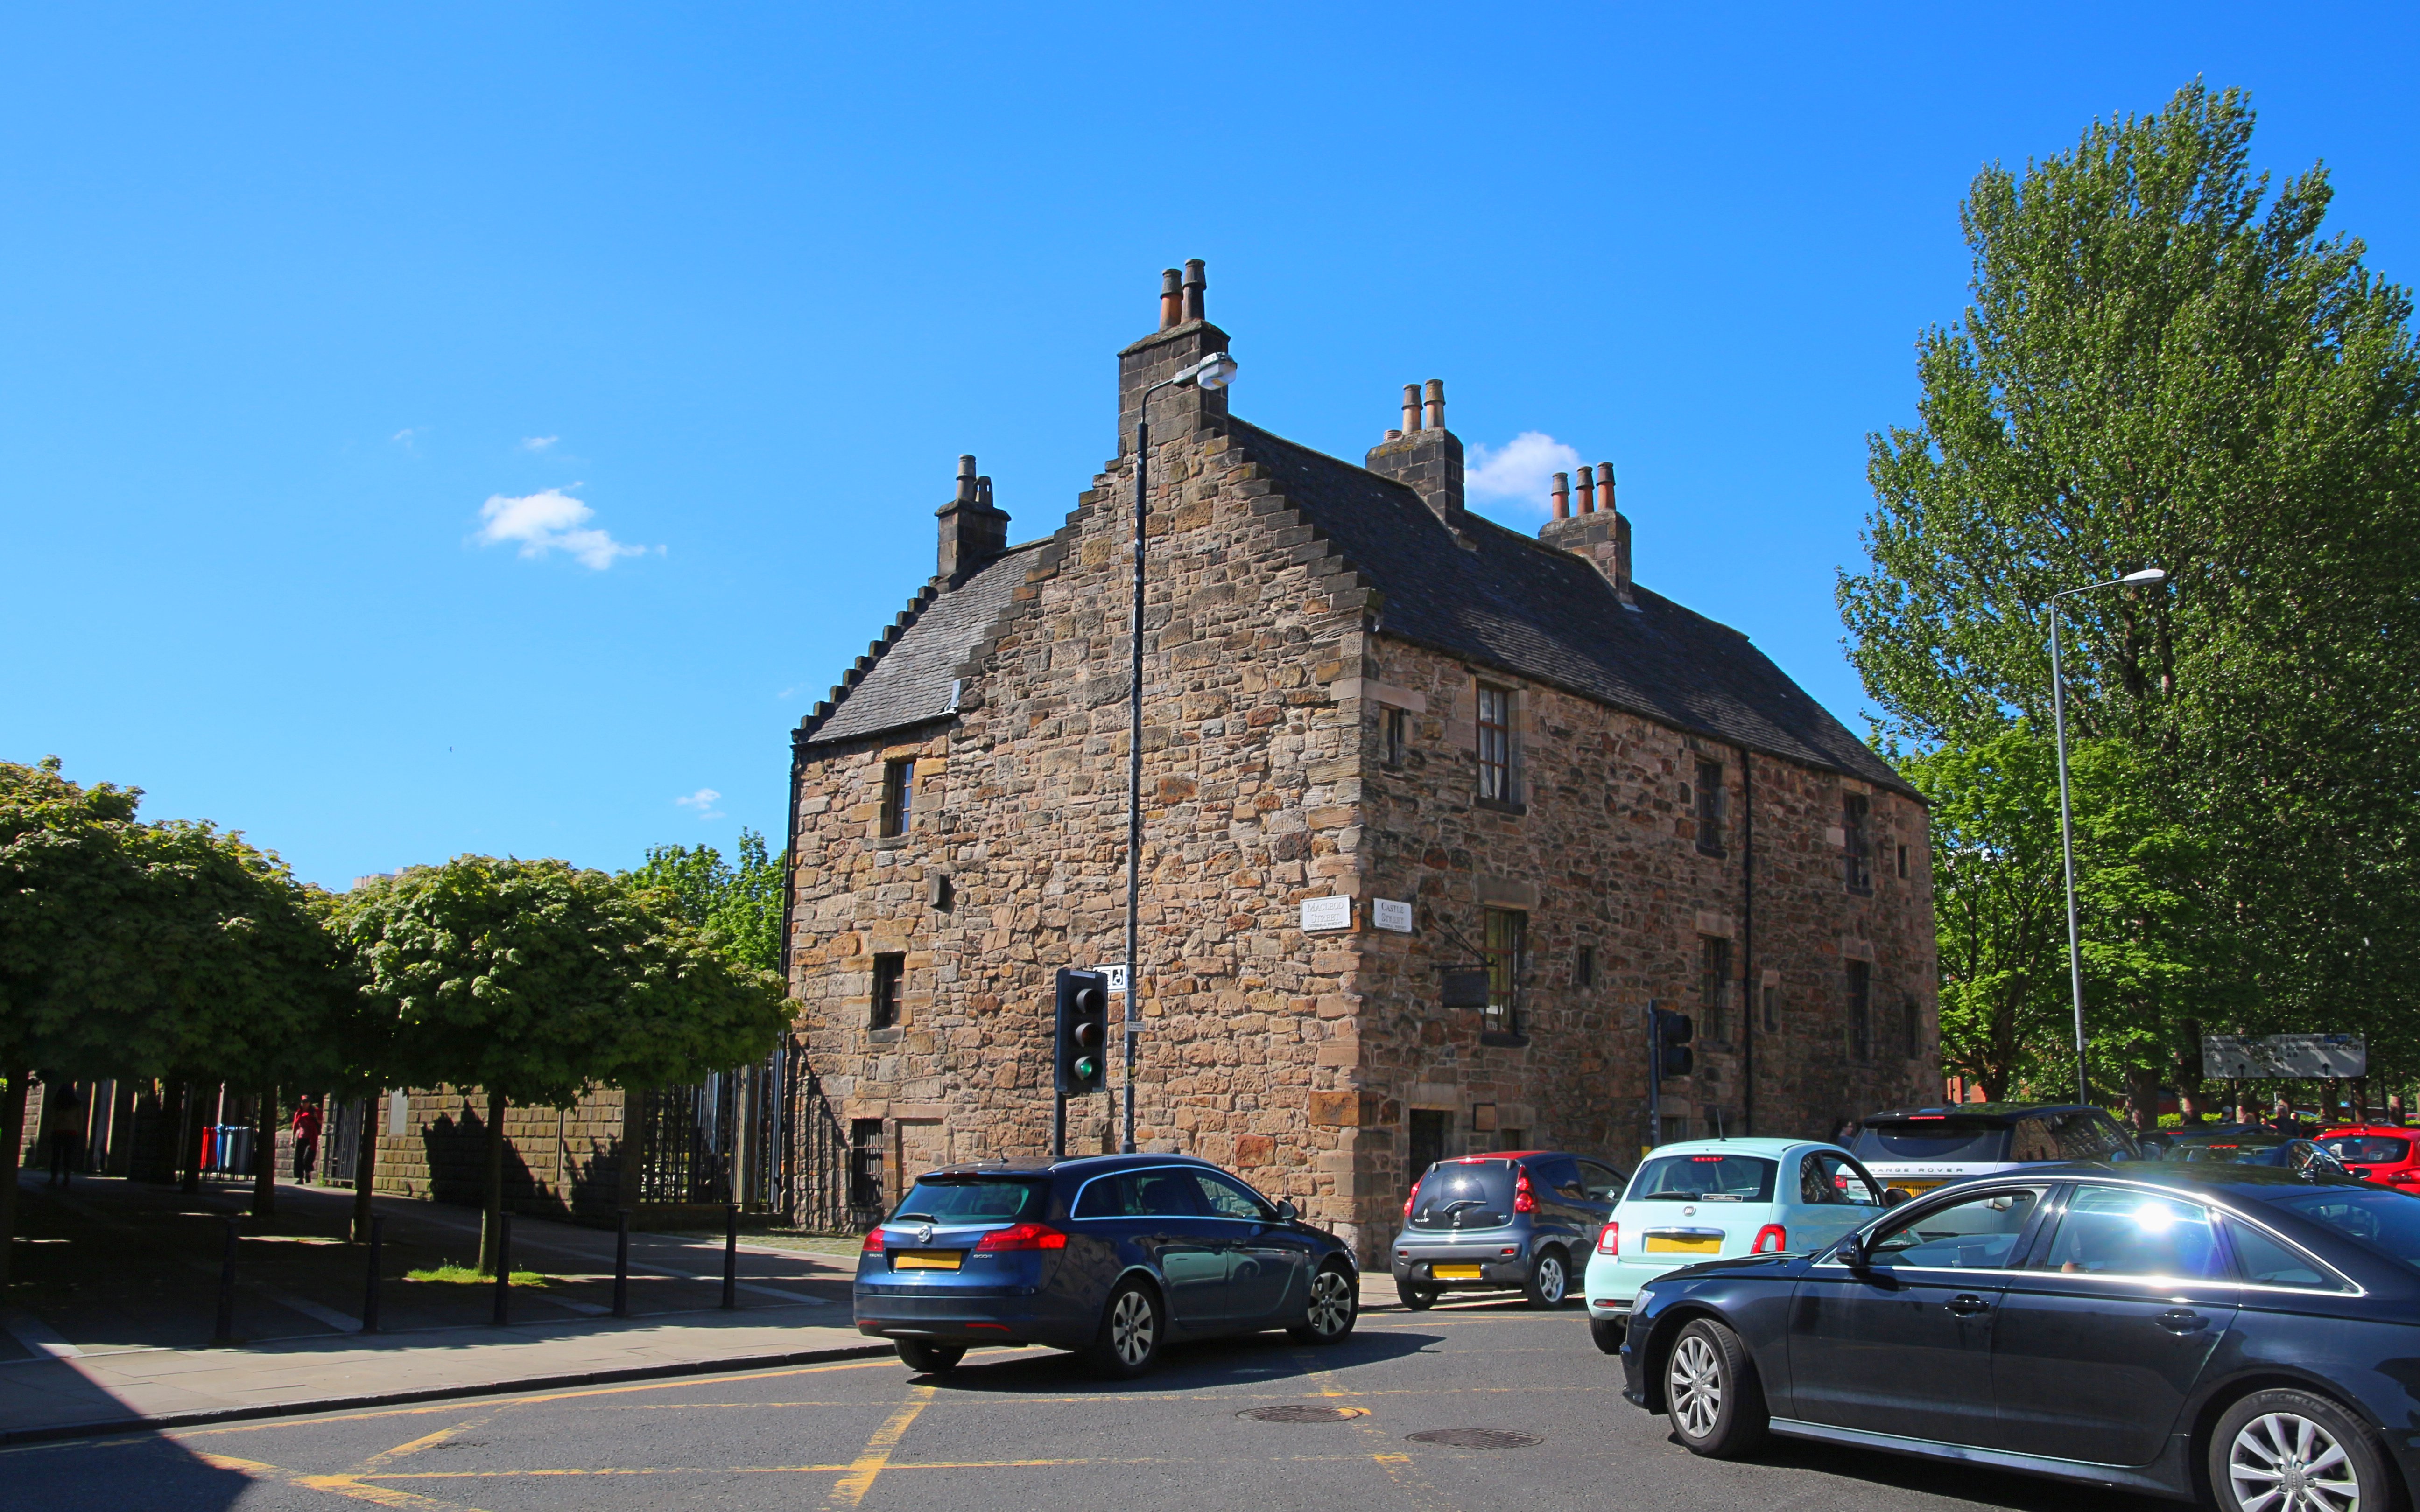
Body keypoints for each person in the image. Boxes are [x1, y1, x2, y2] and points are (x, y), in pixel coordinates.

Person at [46, 1081, 84, 1188]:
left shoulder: (57, 1104)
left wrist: (50, 1130)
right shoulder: (77, 1104)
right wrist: (78, 1130)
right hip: (72, 1132)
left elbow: (52, 1119)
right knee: (68, 1155)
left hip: (58, 1131)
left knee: (56, 1156)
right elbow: (80, 1120)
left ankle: (54, 1178)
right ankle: (67, 1176)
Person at [291, 1098, 323, 1184]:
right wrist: (292, 1139)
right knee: (299, 1157)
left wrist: (316, 1118)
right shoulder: (299, 1112)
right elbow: (295, 1125)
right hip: (302, 1137)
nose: (304, 1104)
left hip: (312, 1137)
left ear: (309, 1103)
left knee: (309, 1156)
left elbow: (321, 1122)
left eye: (306, 1102)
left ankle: (308, 1172)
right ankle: (300, 1178)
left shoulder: (315, 1111)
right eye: (303, 1102)